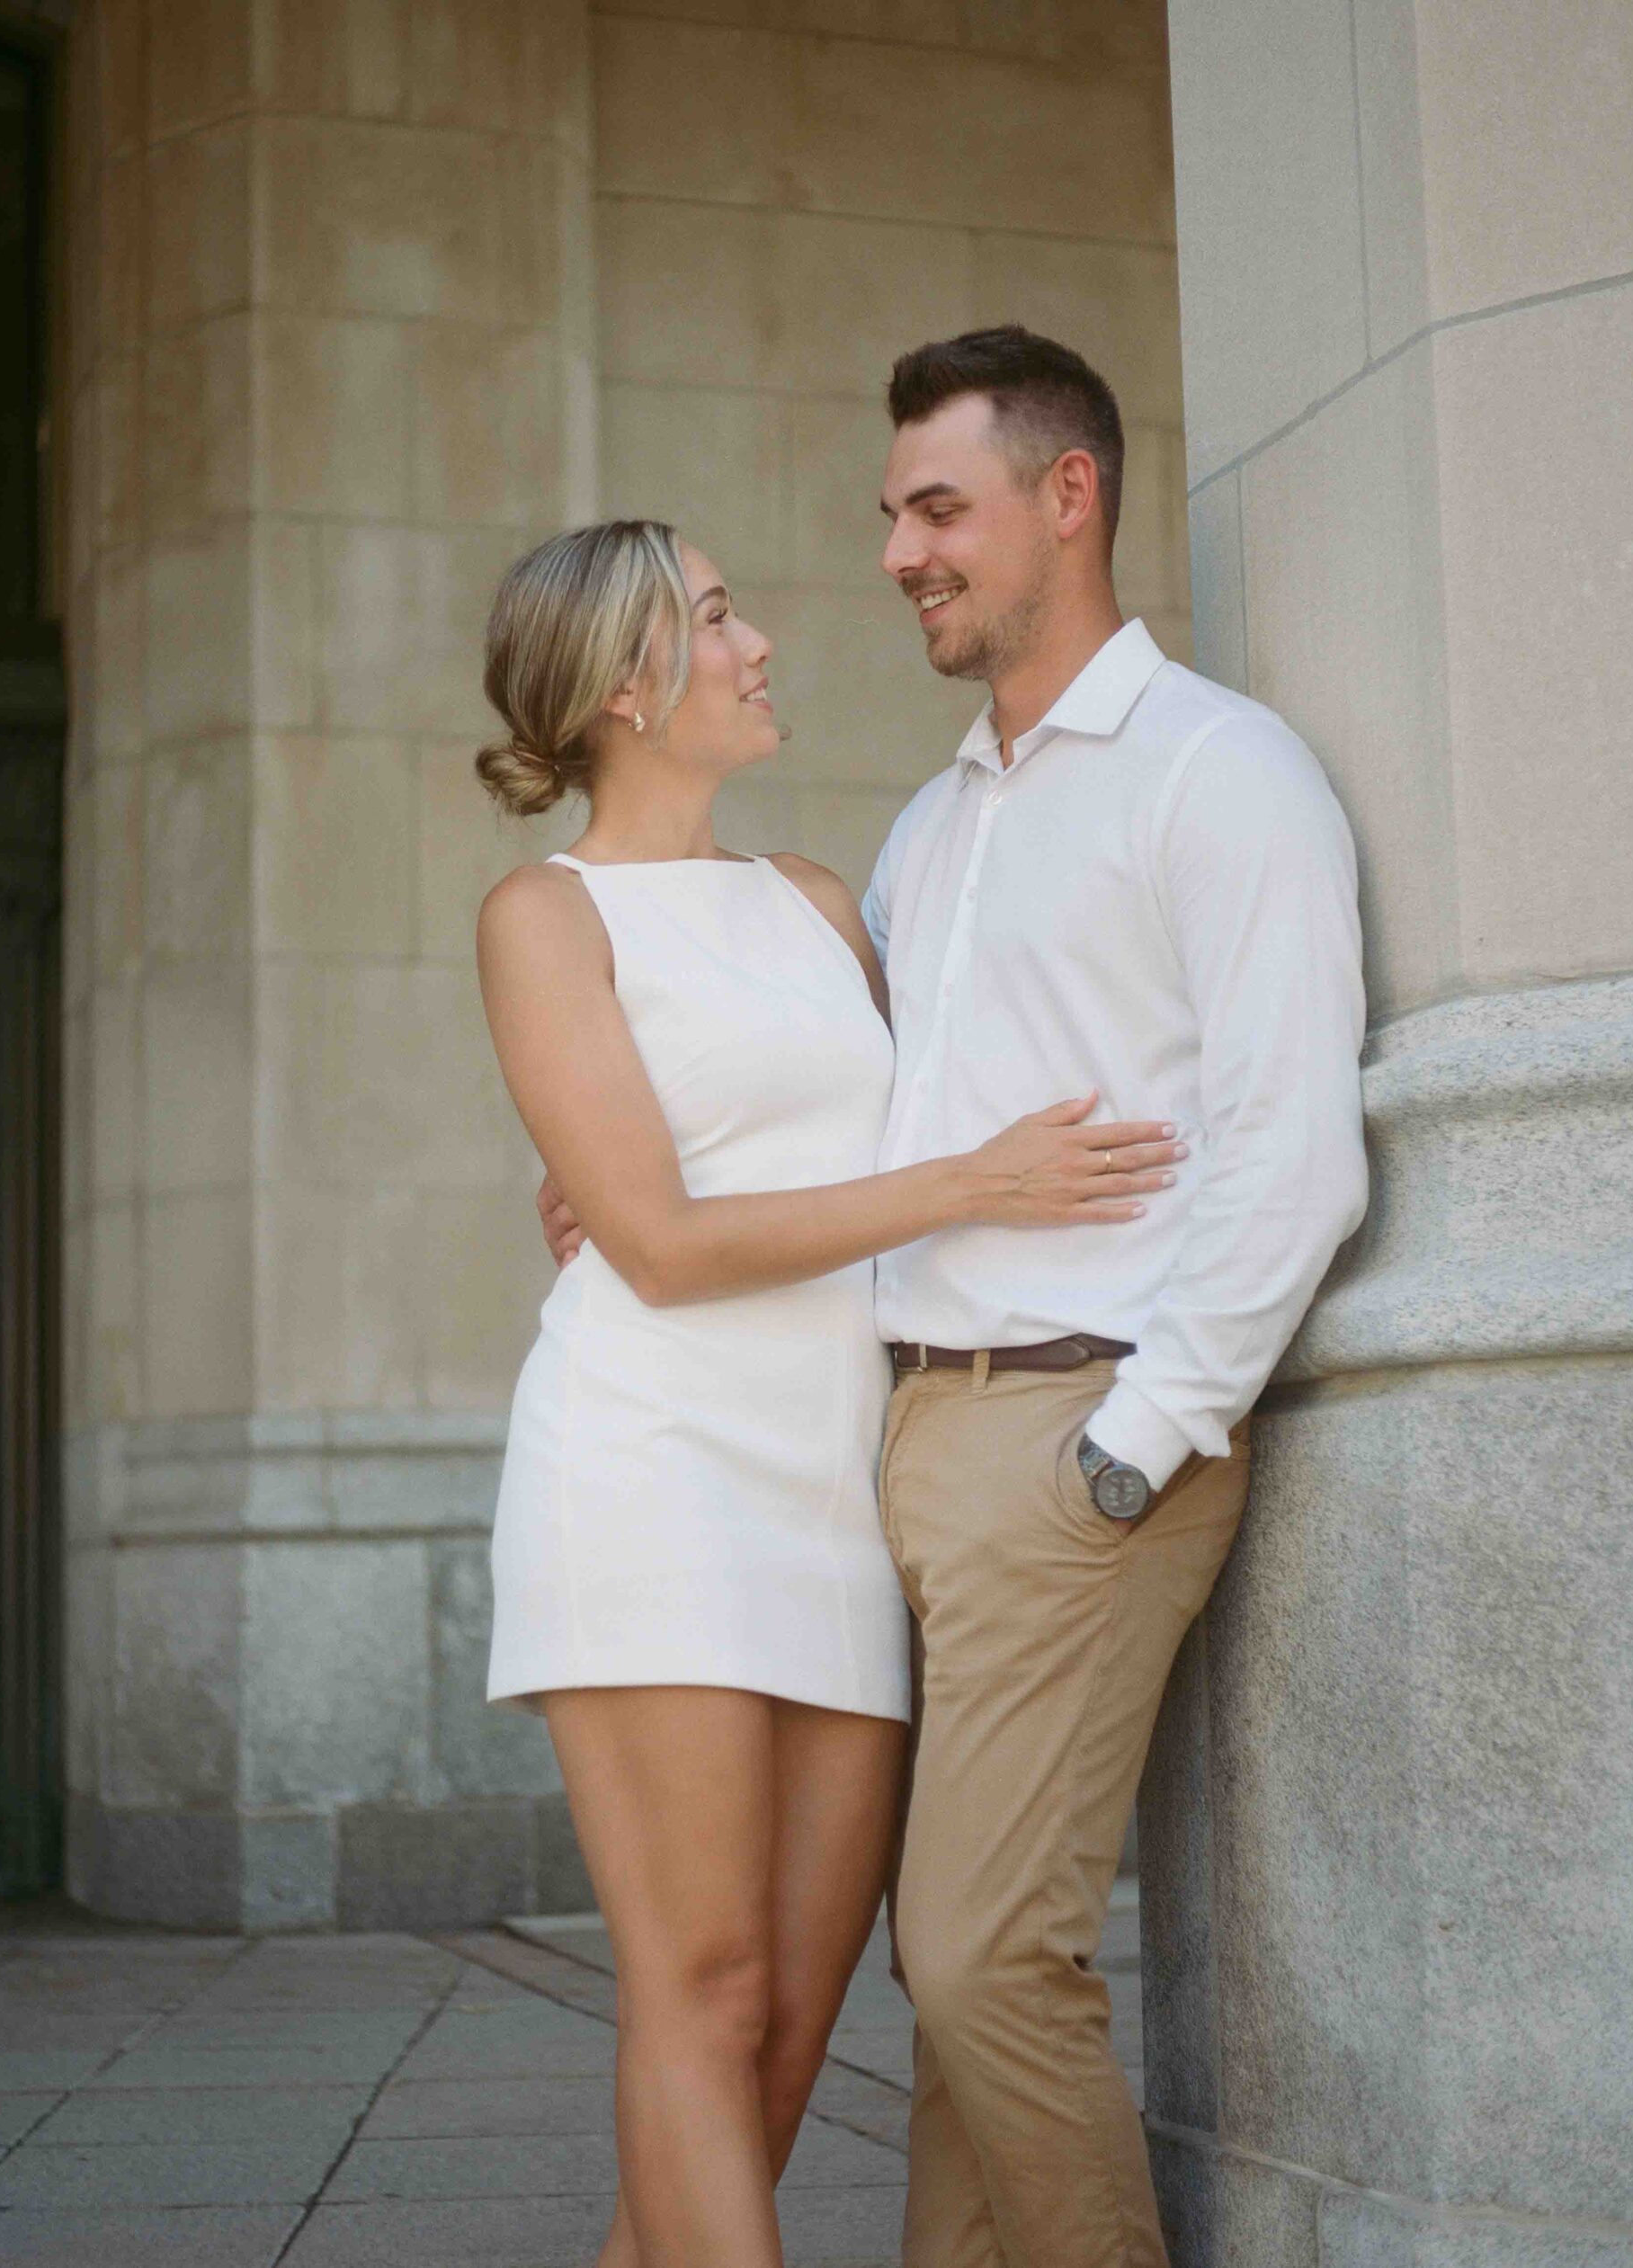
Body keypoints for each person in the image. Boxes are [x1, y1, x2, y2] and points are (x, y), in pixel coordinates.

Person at [541, 327, 1370, 2266]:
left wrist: (1132, 1440)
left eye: (938, 507)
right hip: (891, 1440)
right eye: (891, 513)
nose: (900, 551)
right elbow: (840, 1111)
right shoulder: (930, 833)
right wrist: (606, 1173)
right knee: (955, 2013)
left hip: (1070, 1431)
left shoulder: (1215, 773)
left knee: (983, 1953)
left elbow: (1291, 1148)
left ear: (1062, 498)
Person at [472, 517, 1187, 2268]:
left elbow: (895, 1099)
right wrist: (967, 1183)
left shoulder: (806, 899)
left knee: (791, 2022)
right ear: (630, 683)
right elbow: (656, 1241)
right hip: (651, 1471)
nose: (760, 640)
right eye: (717, 618)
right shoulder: (540, 916)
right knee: (701, 1990)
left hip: (835, 1482)